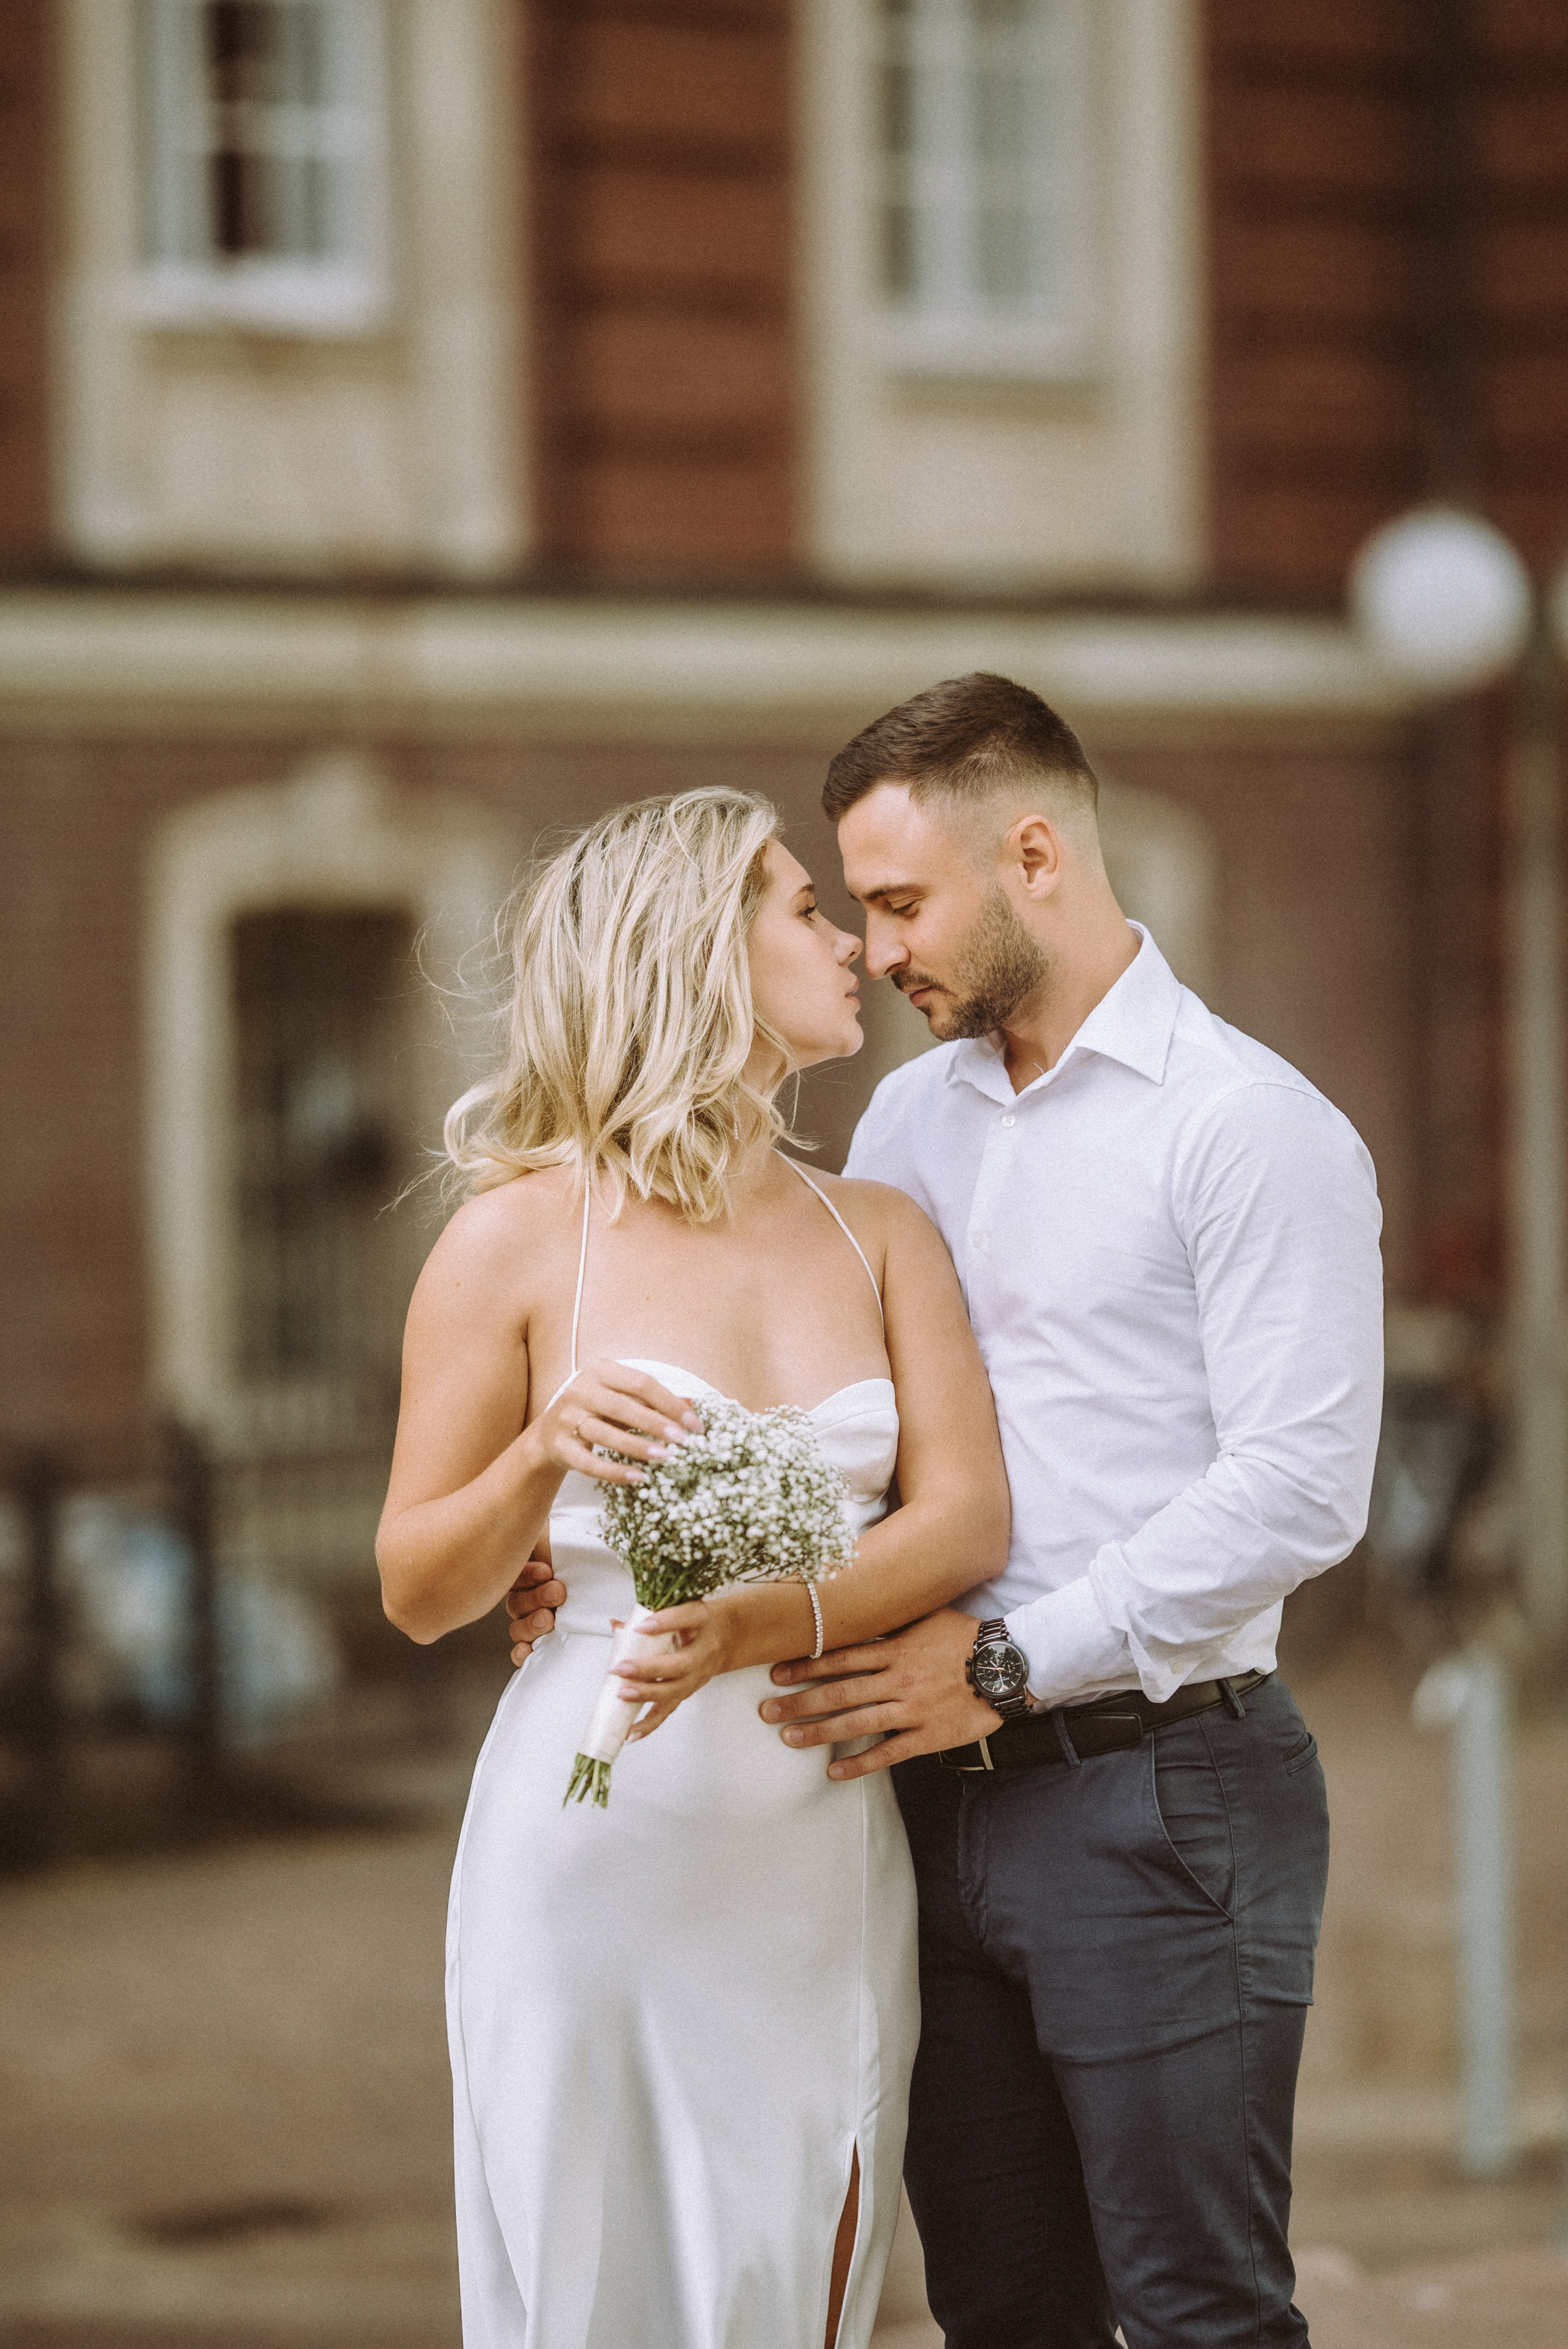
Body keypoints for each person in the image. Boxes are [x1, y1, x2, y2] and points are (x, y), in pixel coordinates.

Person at [505, 675, 1385, 2348]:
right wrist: (590, 1559)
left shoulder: (1247, 1127)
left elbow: (1298, 1488)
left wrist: (1003, 1663)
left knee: (1195, 2307)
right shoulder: (910, 1117)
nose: (874, 943)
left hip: (1156, 1790)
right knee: (1001, 2308)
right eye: (852, 903)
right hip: (910, 1808)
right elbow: (850, 1431)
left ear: (1033, 855)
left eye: (902, 900)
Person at [377, 787, 1010, 2349]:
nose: (849, 942)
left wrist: (762, 1623)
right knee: (593, 2282)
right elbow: (417, 1588)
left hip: (816, 1836)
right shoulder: (518, 1239)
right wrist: (539, 1459)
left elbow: (962, 1523)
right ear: (695, 953)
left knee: (803, 2266)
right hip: (592, 1845)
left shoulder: (880, 1232)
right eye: (801, 908)